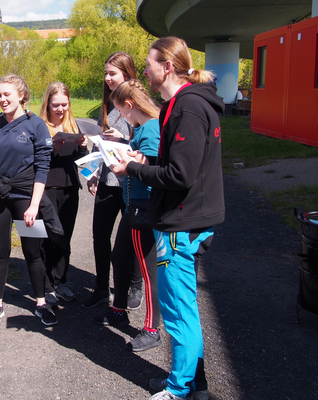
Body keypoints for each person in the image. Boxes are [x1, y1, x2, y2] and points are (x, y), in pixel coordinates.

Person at [114, 37, 224, 400]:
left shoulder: (188, 108)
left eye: (148, 63)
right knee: (184, 309)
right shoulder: (182, 103)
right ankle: (193, 383)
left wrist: (132, 168)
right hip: (184, 217)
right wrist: (146, 163)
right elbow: (178, 165)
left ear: (168, 66)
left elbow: (181, 176)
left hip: (181, 221)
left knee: (178, 313)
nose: (143, 70)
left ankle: (180, 389)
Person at [0, 74, 58, 326]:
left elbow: (43, 167)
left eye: (7, 95)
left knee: (33, 253)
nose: (2, 99)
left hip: (25, 198)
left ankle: (41, 303)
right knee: (0, 252)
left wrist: (34, 205)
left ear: (21, 95)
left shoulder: (36, 125)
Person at [93, 79, 162, 353]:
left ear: (131, 106)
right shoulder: (142, 128)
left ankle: (152, 328)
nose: (121, 116)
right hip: (132, 205)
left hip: (144, 208)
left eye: (122, 111)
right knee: (119, 256)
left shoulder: (151, 128)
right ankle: (119, 308)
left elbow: (154, 168)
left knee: (147, 269)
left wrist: (128, 166)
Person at [82, 52, 143, 310]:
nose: (107, 78)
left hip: (130, 182)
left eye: (113, 73)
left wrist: (124, 138)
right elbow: (98, 144)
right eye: (106, 73)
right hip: (107, 180)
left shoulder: (139, 103)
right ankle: (100, 287)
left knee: (132, 238)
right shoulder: (106, 105)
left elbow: (147, 145)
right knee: (100, 235)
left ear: (127, 74)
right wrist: (92, 173)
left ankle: (135, 286)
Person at [39, 82, 88, 306]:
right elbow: (31, 159)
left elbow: (80, 160)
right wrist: (51, 148)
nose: (60, 109)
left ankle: (61, 281)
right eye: (56, 104)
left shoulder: (73, 125)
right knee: (44, 238)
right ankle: (45, 286)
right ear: (47, 104)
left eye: (64, 104)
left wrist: (84, 147)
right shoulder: (39, 127)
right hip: (44, 190)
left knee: (64, 238)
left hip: (69, 189)